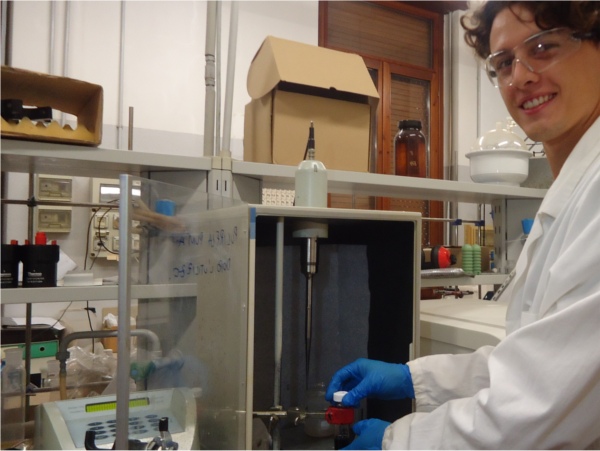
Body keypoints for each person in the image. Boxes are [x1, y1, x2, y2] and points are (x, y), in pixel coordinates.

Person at [325, 1, 600, 448]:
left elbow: (537, 409)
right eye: (504, 62)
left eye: (543, 47)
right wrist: (414, 379)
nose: (521, 77)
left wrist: (399, 442)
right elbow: (538, 363)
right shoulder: (571, 191)